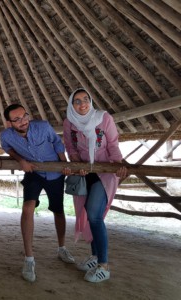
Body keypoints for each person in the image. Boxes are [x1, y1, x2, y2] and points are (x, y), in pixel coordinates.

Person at [0, 103, 75, 283]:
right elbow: (6, 148)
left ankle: (62, 248)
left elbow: (57, 142)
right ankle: (29, 259)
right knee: (27, 209)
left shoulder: (43, 126)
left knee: (58, 210)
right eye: (16, 120)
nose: (23, 121)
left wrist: (64, 163)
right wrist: (21, 160)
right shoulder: (6, 135)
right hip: (33, 173)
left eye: (24, 116)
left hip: (55, 173)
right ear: (9, 123)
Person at [62, 88, 128, 283]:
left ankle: (104, 266)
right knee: (87, 215)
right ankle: (94, 257)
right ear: (71, 105)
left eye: (86, 100)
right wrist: (77, 166)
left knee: (94, 215)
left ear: (91, 101)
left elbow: (113, 144)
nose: (83, 104)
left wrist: (118, 166)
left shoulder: (103, 118)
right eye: (77, 101)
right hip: (85, 175)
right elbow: (70, 148)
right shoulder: (69, 123)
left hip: (105, 172)